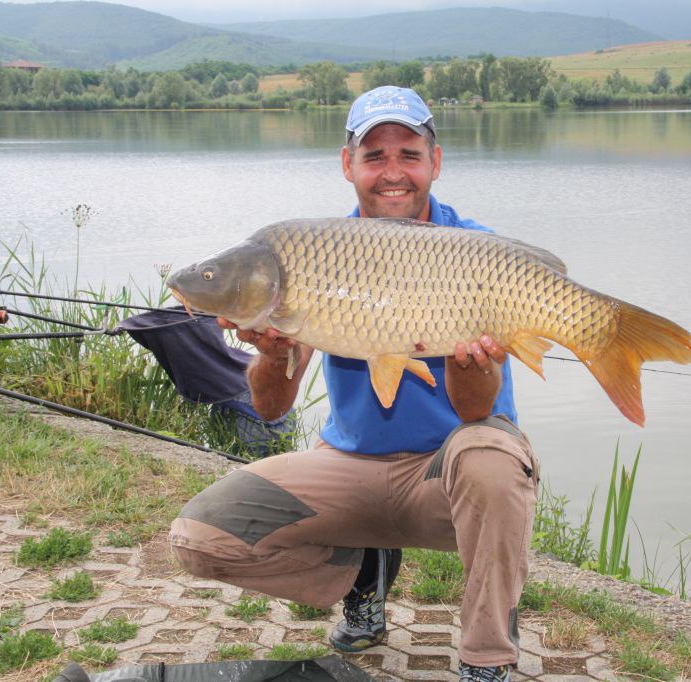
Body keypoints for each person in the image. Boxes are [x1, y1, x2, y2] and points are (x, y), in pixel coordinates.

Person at [168, 86, 539, 682]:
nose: (393, 173)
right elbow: (270, 409)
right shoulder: (314, 254)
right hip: (351, 468)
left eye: (408, 155)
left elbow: (477, 413)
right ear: (349, 166)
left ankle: (486, 654)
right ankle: (362, 571)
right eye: (374, 157)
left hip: (446, 478)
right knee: (200, 538)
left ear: (435, 162)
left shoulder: (476, 252)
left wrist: (474, 361)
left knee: (493, 459)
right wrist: (271, 353)